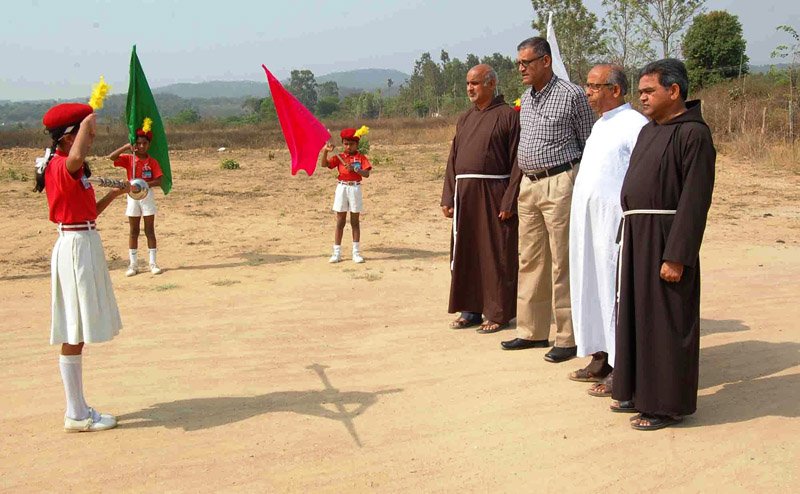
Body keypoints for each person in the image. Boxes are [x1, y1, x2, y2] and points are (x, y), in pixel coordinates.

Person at [612, 59, 715, 430]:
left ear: (673, 91)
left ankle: (666, 405)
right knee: (638, 317)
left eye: (648, 91)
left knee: (666, 322)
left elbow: (694, 200)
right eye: (640, 91)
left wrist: (677, 256)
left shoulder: (693, 135)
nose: (641, 97)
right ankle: (637, 391)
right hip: (638, 235)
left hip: (666, 238)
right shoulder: (649, 131)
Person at [500, 37, 594, 363]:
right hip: (529, 185)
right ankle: (532, 331)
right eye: (519, 63)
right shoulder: (526, 99)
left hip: (560, 182)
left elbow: (588, 142)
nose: (521, 69)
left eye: (526, 62)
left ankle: (568, 337)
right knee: (530, 260)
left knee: (562, 260)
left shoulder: (572, 96)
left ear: (546, 61)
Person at [34, 102, 127, 432]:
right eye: (85, 134)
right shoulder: (62, 165)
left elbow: (88, 213)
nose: (90, 139)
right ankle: (75, 413)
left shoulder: (73, 169)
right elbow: (75, 157)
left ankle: (78, 409)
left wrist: (114, 195)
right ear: (66, 138)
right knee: (74, 329)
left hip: (84, 240)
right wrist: (89, 116)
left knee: (78, 331)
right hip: (75, 247)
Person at [567, 64, 648, 395]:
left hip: (612, 225)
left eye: (594, 86)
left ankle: (621, 365)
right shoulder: (600, 125)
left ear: (615, 90)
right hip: (588, 225)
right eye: (587, 85)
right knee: (590, 286)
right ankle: (599, 355)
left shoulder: (635, 125)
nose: (587, 92)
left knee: (613, 291)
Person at [441, 64, 520, 333]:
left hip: (494, 194)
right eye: (468, 83)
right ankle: (470, 309)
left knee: (496, 253)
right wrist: (448, 195)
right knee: (467, 251)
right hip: (465, 195)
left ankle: (498, 312)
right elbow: (453, 159)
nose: (469, 88)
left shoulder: (508, 116)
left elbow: (517, 161)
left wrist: (509, 199)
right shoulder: (465, 118)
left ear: (491, 84)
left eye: (474, 83)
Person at [107, 128, 164, 276]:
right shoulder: (129, 159)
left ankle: (153, 263)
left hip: (147, 196)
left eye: (144, 143)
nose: (141, 146)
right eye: (138, 143)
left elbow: (159, 180)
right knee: (134, 231)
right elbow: (112, 157)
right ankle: (133, 264)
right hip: (132, 197)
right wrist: (126, 147)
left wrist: (143, 185)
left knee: (149, 230)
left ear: (149, 145)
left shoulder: (152, 162)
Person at [319, 127, 372, 263]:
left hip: (355, 188)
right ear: (343, 143)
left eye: (352, 144)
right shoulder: (340, 157)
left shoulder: (361, 158)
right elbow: (324, 164)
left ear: (357, 144)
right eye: (346, 144)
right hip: (342, 188)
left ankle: (356, 253)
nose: (348, 147)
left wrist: (356, 169)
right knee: (340, 221)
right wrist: (325, 151)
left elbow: (366, 174)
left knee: (355, 221)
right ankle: (336, 253)